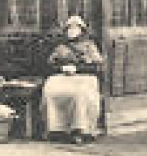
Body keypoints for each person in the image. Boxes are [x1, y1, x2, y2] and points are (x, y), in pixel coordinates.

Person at [41, 15, 105, 144]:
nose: (72, 31)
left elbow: (97, 66)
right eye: (69, 28)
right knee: (50, 90)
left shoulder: (89, 46)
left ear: (81, 30)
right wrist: (62, 68)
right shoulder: (61, 47)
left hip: (85, 77)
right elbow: (50, 64)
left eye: (75, 28)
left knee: (79, 94)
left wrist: (78, 68)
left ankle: (79, 129)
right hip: (63, 76)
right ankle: (55, 129)